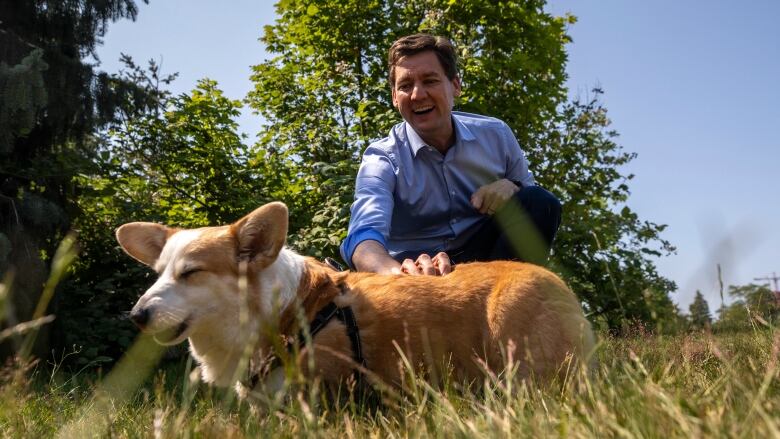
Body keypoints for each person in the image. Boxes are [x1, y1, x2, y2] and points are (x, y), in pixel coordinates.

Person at [339, 33, 561, 276]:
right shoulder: (381, 159)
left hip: (487, 261)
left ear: (456, 85)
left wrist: (513, 186)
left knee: (541, 203)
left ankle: (512, 301)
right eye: (405, 86)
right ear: (394, 97)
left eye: (430, 81)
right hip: (416, 271)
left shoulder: (496, 135)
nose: (417, 95)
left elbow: (534, 206)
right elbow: (362, 238)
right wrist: (398, 278)